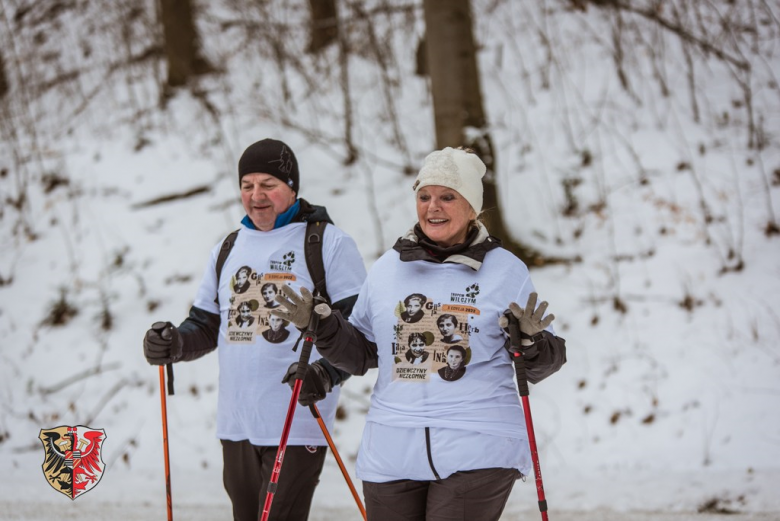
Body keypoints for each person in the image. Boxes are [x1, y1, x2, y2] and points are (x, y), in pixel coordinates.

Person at [272, 146, 566, 521]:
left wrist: (530, 341)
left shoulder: (505, 271)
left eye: (447, 196)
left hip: (477, 442)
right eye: (424, 196)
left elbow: (542, 364)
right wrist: (324, 327)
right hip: (393, 446)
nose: (433, 207)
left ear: (472, 207)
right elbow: (362, 353)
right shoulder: (388, 269)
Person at [142, 138, 367, 521]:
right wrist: (173, 343)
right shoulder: (228, 248)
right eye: (247, 185)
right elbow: (206, 324)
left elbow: (358, 336)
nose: (256, 196)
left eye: (268, 184)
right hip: (238, 422)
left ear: (292, 187)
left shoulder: (327, 243)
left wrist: (326, 375)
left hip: (297, 418)